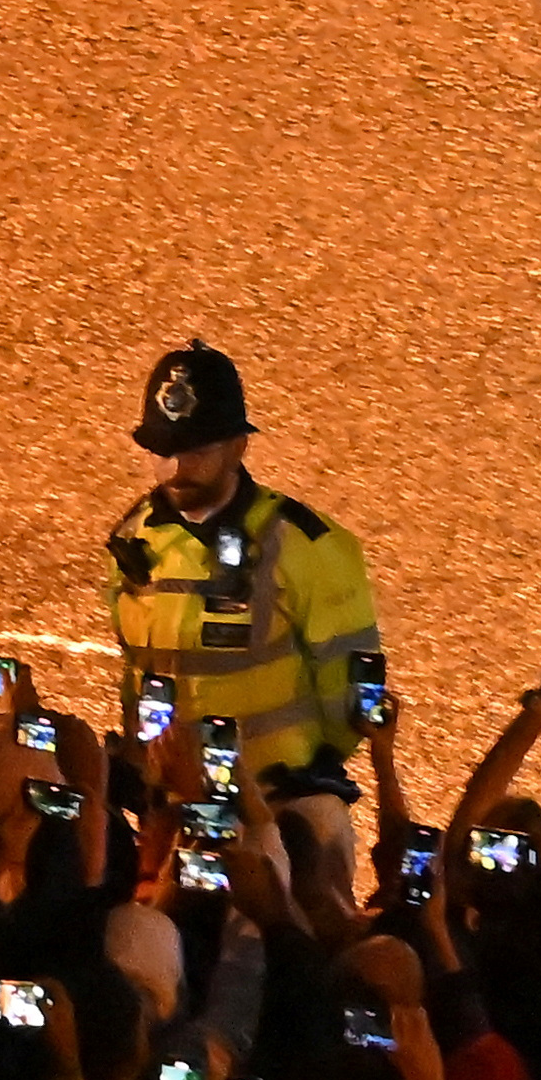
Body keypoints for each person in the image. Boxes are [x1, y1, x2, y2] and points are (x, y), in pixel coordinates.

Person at [100, 342, 391, 895]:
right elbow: (138, 674)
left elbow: (352, 704)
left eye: (197, 449)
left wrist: (269, 786)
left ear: (239, 446)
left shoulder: (305, 546)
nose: (179, 467)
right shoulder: (131, 539)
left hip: (288, 815)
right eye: (165, 451)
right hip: (176, 809)